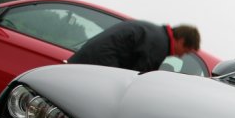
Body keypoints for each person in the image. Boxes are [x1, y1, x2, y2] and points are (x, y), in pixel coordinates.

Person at [68, 20, 201, 73]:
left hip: (86, 59)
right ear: (181, 41)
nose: (181, 55)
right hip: (93, 65)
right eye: (186, 51)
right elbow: (135, 78)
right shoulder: (159, 45)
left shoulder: (157, 35)